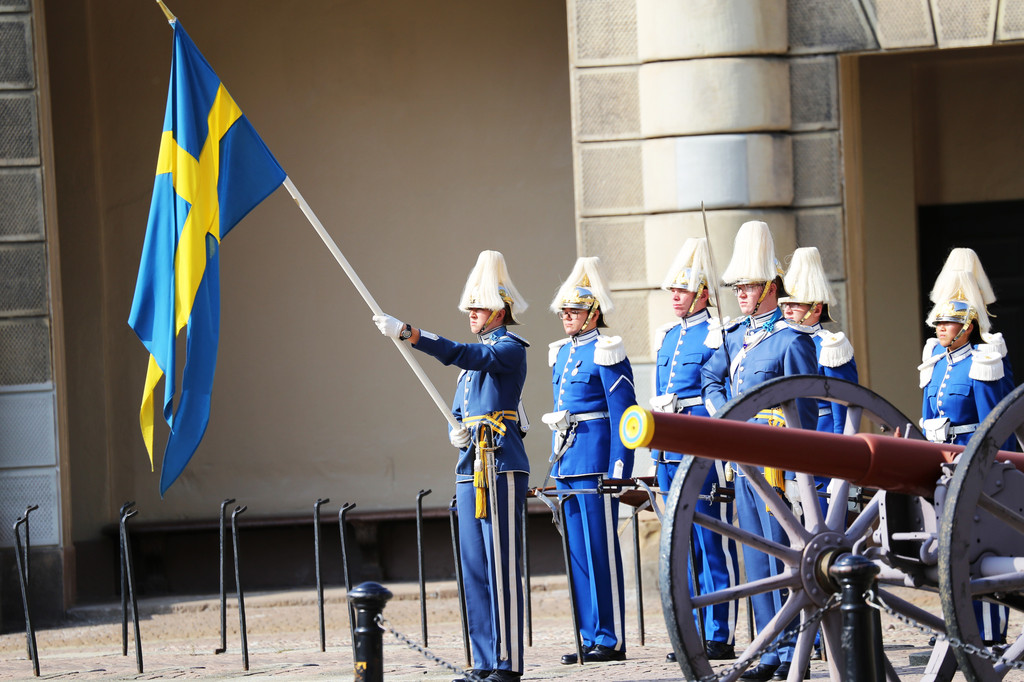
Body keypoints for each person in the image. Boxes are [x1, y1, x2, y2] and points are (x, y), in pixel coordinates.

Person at [372, 250, 529, 682]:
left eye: (478, 307)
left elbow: (463, 354)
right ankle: (481, 660)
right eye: (470, 307)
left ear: (499, 310)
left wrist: (410, 333)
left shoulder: (509, 349)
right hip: (467, 468)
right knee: (474, 569)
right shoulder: (472, 364)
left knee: (500, 566)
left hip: (499, 465)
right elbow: (459, 414)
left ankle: (507, 662)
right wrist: (454, 433)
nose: (472, 314)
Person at [700, 221, 818, 682]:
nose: (741, 294)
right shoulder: (733, 337)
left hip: (778, 460)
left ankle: (791, 649)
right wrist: (722, 413)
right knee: (754, 555)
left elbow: (806, 409)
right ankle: (769, 649)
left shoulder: (792, 339)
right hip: (742, 458)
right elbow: (709, 379)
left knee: (782, 556)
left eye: (748, 286)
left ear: (771, 287)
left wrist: (795, 467)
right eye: (737, 287)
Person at [543, 257, 636, 665]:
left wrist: (620, 470)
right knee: (576, 553)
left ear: (592, 314)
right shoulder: (561, 353)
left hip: (596, 460)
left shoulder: (606, 350)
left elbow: (624, 415)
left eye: (574, 311)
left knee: (600, 549)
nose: (567, 317)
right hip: (566, 459)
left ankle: (610, 637)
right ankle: (588, 635)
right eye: (564, 311)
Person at [920, 263, 1015, 647]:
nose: (940, 329)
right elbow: (929, 416)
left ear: (968, 327)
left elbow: (997, 424)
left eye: (948, 325)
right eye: (938, 324)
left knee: (982, 543)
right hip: (942, 464)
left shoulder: (983, 362)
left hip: (973, 461)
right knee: (948, 547)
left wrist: (994, 473)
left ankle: (989, 632)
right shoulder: (935, 363)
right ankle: (957, 623)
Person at [651, 238, 737, 662]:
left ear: (703, 293)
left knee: (709, 543)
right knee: (680, 548)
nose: (675, 298)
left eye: (682, 291)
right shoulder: (667, 337)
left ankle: (718, 633)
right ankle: (690, 631)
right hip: (668, 449)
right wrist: (654, 455)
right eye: (673, 291)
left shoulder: (716, 334)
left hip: (700, 446)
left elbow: (719, 393)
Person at [780, 246, 858, 518]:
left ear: (817, 308)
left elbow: (844, 414)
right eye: (785, 304)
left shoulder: (831, 346)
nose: (788, 310)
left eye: (795, 304)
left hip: (822, 455)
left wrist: (841, 468)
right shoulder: (779, 344)